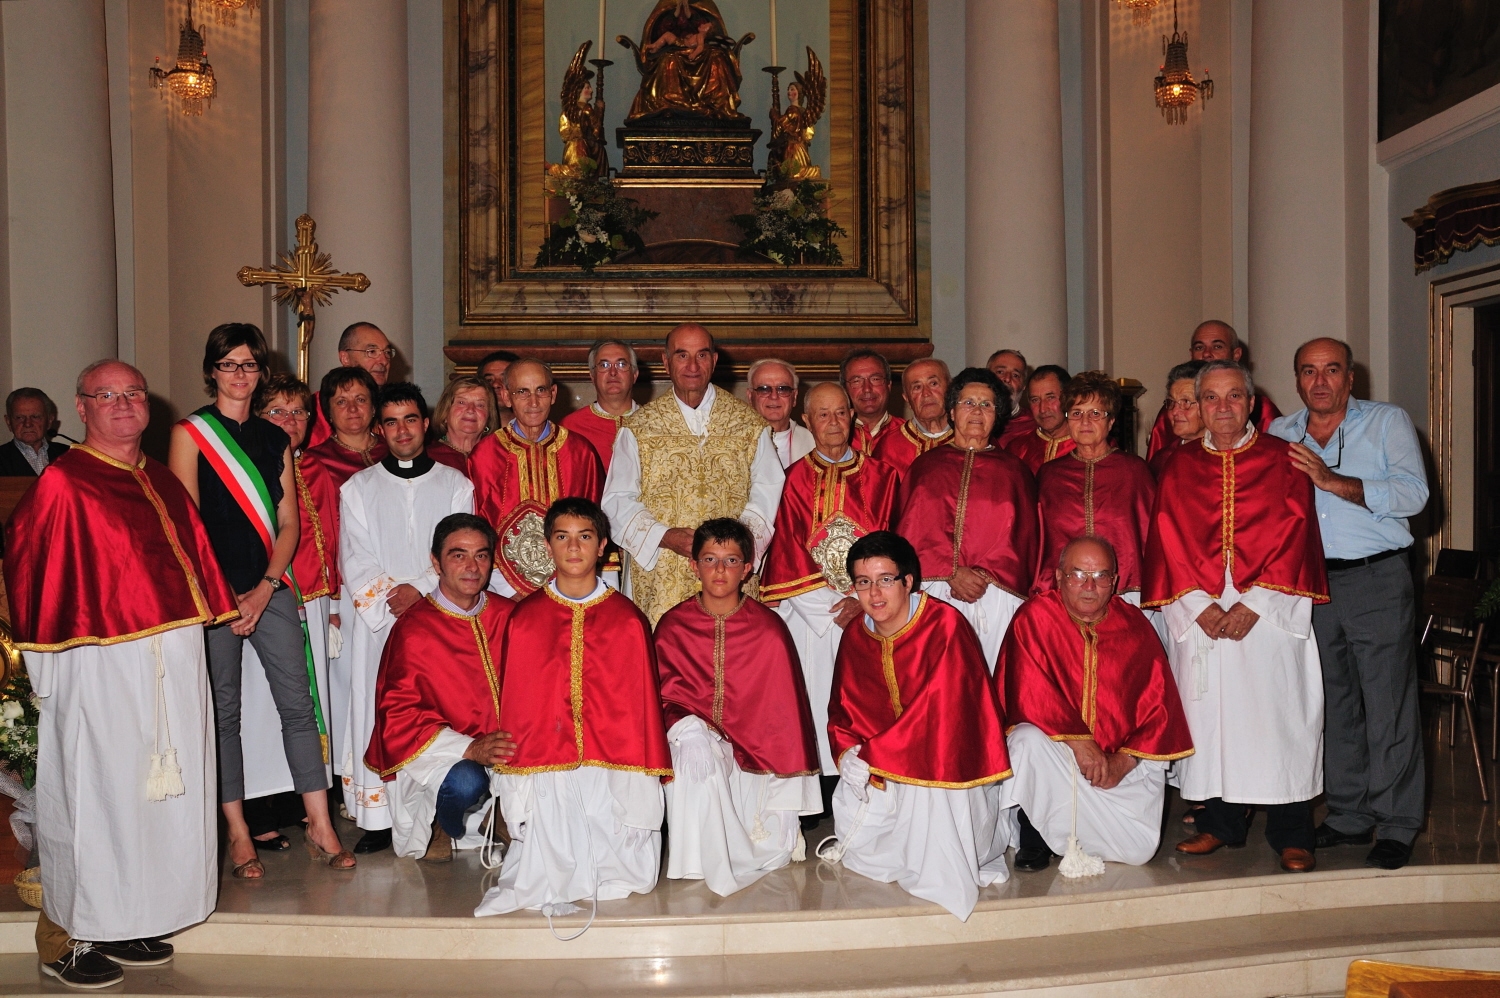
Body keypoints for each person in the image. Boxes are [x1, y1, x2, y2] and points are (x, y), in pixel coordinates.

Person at [5, 360, 237, 988]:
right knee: (90, 798)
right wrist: (48, 670)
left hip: (169, 666)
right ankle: (64, 938)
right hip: (97, 667)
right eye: (107, 396)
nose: (124, 405)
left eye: (133, 393)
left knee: (150, 801)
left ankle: (127, 917)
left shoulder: (159, 478)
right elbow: (31, 569)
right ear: (81, 408)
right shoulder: (65, 483)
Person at [168, 325, 351, 881]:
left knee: (298, 706)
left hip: (270, 588)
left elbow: (290, 523)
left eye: (249, 364)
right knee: (223, 714)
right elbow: (187, 525)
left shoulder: (276, 440)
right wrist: (228, 597)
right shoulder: (191, 433)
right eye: (228, 364)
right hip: (216, 595)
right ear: (212, 371)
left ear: (260, 372)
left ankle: (320, 824)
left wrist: (267, 586)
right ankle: (239, 831)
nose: (240, 374)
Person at [1145, 360, 1328, 873]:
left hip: (1269, 612)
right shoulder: (1177, 466)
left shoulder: (1284, 460)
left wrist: (1255, 605)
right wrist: (1200, 608)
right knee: (1213, 719)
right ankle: (1219, 824)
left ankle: (1293, 832)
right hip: (1200, 611)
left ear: (1251, 402)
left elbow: (1298, 539)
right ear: (1197, 406)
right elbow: (1166, 542)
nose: (1222, 407)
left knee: (1279, 718)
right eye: (1210, 398)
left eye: (1233, 397)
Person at [1269, 338, 1430, 871]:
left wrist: (1334, 482)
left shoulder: (1387, 422)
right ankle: (1348, 813)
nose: (1320, 381)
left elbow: (1414, 495)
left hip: (1376, 578)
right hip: (1310, 586)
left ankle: (1397, 822)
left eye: (1332, 370)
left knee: (1387, 703)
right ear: (1295, 381)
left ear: (1350, 378)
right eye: (1308, 371)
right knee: (1332, 704)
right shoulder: (1279, 434)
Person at [476, 498, 672, 916]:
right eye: (562, 537)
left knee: (615, 846)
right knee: (551, 835)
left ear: (603, 546)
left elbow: (639, 710)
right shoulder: (525, 619)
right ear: (548, 546)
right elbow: (518, 703)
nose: (574, 548)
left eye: (584, 537)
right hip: (549, 762)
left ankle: (611, 865)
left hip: (612, 763)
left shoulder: (627, 620)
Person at [821, 531, 1013, 922]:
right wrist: (848, 753)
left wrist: (876, 753)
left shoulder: (944, 626)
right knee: (864, 849)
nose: (875, 594)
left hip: (946, 770)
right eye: (863, 582)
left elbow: (939, 715)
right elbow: (842, 709)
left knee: (927, 796)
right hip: (884, 767)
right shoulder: (856, 636)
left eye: (886, 580)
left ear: (909, 581)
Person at [997, 537, 1194, 871]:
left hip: (1115, 772)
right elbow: (1026, 692)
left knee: (1138, 853)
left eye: (1101, 576)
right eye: (1077, 575)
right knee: (1025, 740)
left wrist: (1123, 761)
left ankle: (1084, 834)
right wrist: (1079, 741)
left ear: (1115, 582)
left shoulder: (1135, 628)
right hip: (1058, 758)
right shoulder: (1034, 617)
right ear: (1058, 577)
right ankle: (1037, 837)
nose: (1089, 586)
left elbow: (1161, 711)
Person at [339, 383, 475, 854]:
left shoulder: (456, 484)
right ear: (380, 427)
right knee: (378, 708)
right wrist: (389, 598)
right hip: (378, 624)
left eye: (411, 419)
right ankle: (378, 819)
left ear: (425, 423)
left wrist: (421, 586)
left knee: (438, 708)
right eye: (392, 421)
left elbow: (464, 548)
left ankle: (440, 812)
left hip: (438, 617)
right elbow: (353, 555)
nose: (402, 430)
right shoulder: (358, 488)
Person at [655, 519, 821, 895]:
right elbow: (659, 699)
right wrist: (685, 726)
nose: (719, 570)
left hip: (758, 759)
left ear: (747, 569)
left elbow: (785, 715)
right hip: (698, 743)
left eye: (731, 561)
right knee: (692, 760)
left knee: (767, 841)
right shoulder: (672, 627)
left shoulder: (769, 628)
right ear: (693, 565)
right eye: (710, 559)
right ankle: (696, 861)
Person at [761, 383, 899, 788]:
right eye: (823, 414)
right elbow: (786, 550)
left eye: (841, 412)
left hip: (872, 611)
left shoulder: (884, 477)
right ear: (807, 421)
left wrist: (865, 600)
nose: (834, 422)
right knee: (813, 698)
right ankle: (815, 794)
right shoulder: (790, 480)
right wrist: (833, 609)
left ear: (853, 417)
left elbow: (893, 543)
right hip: (811, 618)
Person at [602, 323, 784, 624]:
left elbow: (767, 494)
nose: (692, 366)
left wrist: (733, 548)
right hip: (663, 570)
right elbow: (617, 500)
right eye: (682, 355)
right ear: (665, 362)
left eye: (701, 355)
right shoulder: (640, 427)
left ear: (714, 360)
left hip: (732, 570)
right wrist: (664, 536)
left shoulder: (748, 425)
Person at [365, 514, 518, 861]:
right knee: (467, 782)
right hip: (444, 753)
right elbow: (399, 716)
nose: (472, 567)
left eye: (481, 555)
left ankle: (503, 813)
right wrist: (470, 749)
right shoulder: (415, 629)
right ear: (435, 562)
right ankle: (440, 823)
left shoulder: (510, 615)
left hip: (507, 744)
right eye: (458, 555)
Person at [246, 376, 341, 851]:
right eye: (278, 412)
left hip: (317, 598)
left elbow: (332, 535)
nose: (291, 421)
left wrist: (336, 597)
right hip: (268, 596)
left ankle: (307, 805)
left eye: (300, 412)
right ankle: (259, 806)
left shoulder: (318, 468)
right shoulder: (249, 468)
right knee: (264, 706)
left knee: (308, 706)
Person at [894, 368, 1038, 666]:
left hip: (996, 595)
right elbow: (908, 536)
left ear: (997, 416)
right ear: (951, 411)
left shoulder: (1015, 472)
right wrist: (950, 570)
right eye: (967, 402)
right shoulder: (925, 467)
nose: (976, 411)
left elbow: (1024, 542)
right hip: (934, 590)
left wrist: (985, 575)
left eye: (986, 405)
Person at [469, 359, 603, 597]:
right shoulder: (484, 455)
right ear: (507, 397)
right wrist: (505, 589)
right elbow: (478, 526)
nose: (533, 402)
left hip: (573, 582)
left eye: (540, 390)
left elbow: (596, 524)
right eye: (522, 392)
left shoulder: (581, 452)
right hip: (504, 587)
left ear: (553, 394)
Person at [1034, 373, 1155, 606]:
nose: (1085, 422)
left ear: (1111, 422)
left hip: (1125, 592)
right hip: (1063, 595)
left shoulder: (1134, 472)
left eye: (1096, 413)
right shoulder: (1049, 475)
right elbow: (1040, 543)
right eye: (1077, 413)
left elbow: (1152, 537)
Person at [1146, 321, 1280, 461]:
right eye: (1199, 347)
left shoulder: (1261, 407)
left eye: (1217, 346)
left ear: (1236, 354)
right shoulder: (1171, 411)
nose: (1207, 354)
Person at [306, 322, 397, 448]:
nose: (383, 361)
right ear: (345, 358)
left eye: (387, 352)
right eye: (371, 351)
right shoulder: (313, 410)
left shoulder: (393, 406)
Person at [561, 339, 640, 474]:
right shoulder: (570, 427)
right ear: (592, 376)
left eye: (621, 364)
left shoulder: (657, 423)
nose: (613, 372)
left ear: (634, 375)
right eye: (604, 365)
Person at [305, 367, 387, 487]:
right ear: (329, 412)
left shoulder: (392, 450)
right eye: (341, 402)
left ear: (373, 407)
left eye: (360, 399)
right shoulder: (314, 461)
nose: (352, 408)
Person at [870, 358, 953, 475]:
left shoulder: (969, 438)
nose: (926, 393)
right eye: (917, 387)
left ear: (950, 389)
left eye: (933, 383)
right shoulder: (888, 447)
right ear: (907, 399)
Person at [1004, 365, 1076, 473]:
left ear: (1069, 398)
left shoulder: (1087, 447)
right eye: (1035, 400)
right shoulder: (1017, 449)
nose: (1042, 409)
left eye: (1050, 397)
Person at [747, 358, 815, 469]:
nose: (774, 396)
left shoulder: (814, 442)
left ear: (794, 397)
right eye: (764, 389)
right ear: (750, 397)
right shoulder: (733, 441)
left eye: (783, 389)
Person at [428, 376, 497, 475]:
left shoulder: (501, 460)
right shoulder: (427, 458)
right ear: (445, 412)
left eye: (480, 405)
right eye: (461, 402)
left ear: (489, 417)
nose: (470, 410)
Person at [1148, 361, 1206, 479]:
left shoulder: (1227, 456)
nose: (1174, 412)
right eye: (1171, 402)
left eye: (1186, 402)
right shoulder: (1162, 460)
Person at [841, 348, 904, 455]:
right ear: (844, 390)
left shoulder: (911, 435)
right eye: (856, 381)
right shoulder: (831, 436)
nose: (867, 389)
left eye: (875, 379)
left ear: (889, 385)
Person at [0, 388, 67, 476]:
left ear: (49, 421)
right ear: (8, 422)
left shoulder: (68, 455)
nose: (27, 424)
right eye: (20, 417)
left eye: (35, 417)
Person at [987, 349, 1036, 446]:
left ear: (1023, 386)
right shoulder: (970, 420)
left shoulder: (1035, 426)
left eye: (1015, 375)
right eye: (1000, 372)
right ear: (986, 378)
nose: (1007, 379)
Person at [477, 349, 520, 425]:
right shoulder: (471, 431)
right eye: (489, 380)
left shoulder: (538, 431)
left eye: (504, 379)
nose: (495, 385)